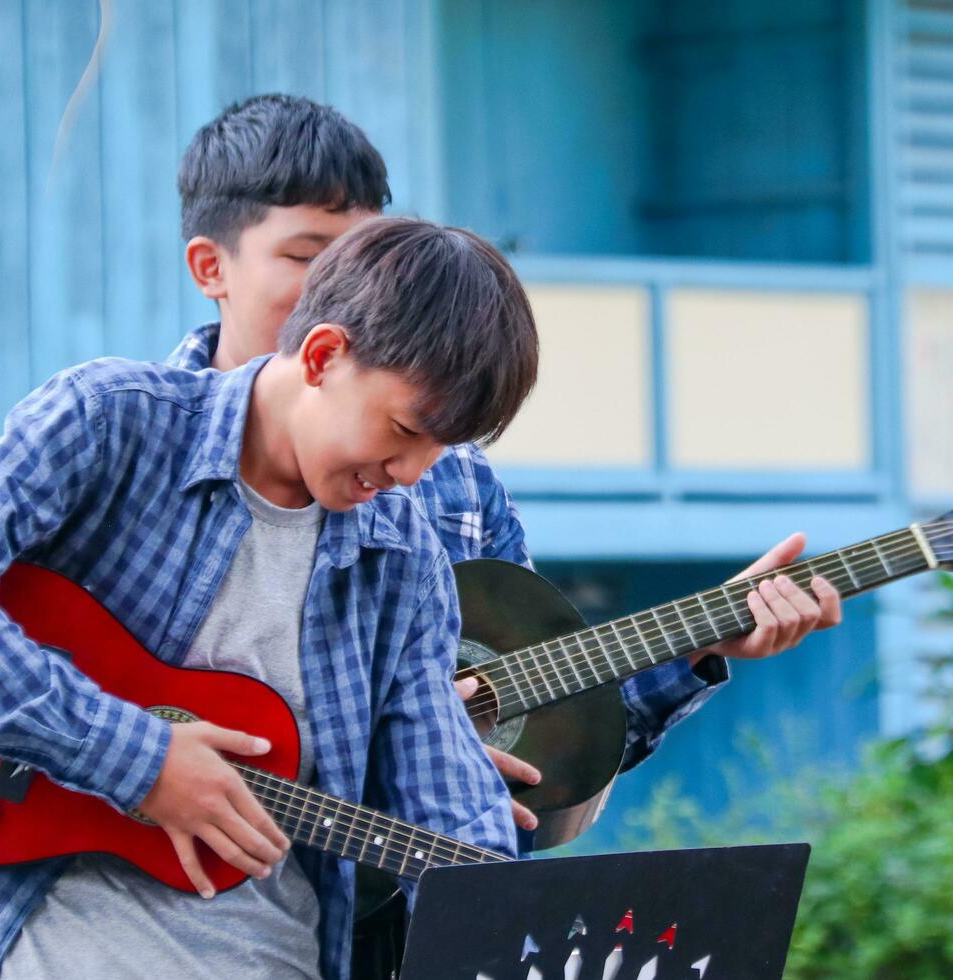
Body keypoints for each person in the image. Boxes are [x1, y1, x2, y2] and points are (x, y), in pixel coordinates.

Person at [0, 217, 538, 980]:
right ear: (325, 356)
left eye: (441, 449)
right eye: (404, 430)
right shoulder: (113, 423)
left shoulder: (404, 558)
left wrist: (515, 927)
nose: (413, 473)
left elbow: (453, 804)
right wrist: (139, 761)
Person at [169, 95, 843, 832]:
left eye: (366, 255)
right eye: (308, 257)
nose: (348, 286)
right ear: (212, 267)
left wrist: (698, 643)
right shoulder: (137, 448)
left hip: (392, 917)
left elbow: (541, 725)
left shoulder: (456, 479)